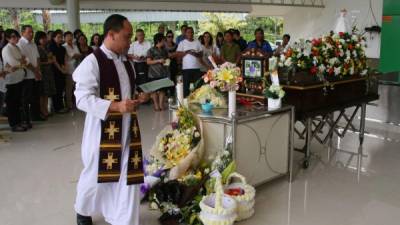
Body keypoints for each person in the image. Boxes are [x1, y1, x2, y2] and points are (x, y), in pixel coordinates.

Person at [73, 14, 144, 225]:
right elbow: (82, 99)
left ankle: (123, 219)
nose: (130, 41)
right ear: (111, 35)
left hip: (128, 129)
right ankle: (83, 210)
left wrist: (138, 97)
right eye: (127, 36)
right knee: (96, 175)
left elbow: (127, 92)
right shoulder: (93, 62)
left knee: (127, 178)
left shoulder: (126, 62)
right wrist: (116, 106)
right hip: (103, 131)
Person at [1, 29, 27, 132]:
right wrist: (21, 62)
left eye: (16, 36)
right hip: (11, 81)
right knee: (12, 103)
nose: (16, 38)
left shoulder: (17, 47)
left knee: (18, 102)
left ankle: (19, 122)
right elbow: (13, 63)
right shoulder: (6, 49)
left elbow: (26, 60)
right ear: (7, 38)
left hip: (19, 78)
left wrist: (21, 63)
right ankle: (14, 124)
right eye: (13, 37)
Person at [18, 25, 42, 126]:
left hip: (36, 74)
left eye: (32, 32)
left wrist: (38, 70)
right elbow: (25, 61)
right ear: (23, 32)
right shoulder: (20, 44)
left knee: (36, 97)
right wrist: (35, 71)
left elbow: (37, 58)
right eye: (29, 32)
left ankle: (35, 115)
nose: (31, 34)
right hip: (27, 75)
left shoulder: (33, 44)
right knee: (26, 99)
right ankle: (25, 119)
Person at [35, 31, 57, 118]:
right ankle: (42, 110)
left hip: (49, 72)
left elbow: (51, 57)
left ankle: (46, 110)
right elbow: (39, 62)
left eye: (45, 38)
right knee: (43, 93)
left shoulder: (47, 47)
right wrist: (49, 62)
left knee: (47, 93)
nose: (44, 40)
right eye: (42, 38)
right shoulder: (38, 48)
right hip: (43, 72)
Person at [176, 26, 203, 97]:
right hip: (186, 68)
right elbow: (178, 54)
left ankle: (197, 101)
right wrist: (187, 52)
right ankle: (185, 101)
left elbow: (201, 54)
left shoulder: (197, 42)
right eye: (188, 32)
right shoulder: (182, 43)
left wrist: (194, 53)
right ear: (185, 34)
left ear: (193, 33)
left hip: (196, 68)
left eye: (191, 32)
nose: (190, 34)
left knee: (197, 86)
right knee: (186, 87)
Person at [146, 33, 170, 111]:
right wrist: (159, 60)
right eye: (163, 40)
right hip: (153, 73)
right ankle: (156, 106)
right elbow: (148, 62)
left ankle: (161, 105)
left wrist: (167, 62)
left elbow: (166, 59)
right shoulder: (151, 50)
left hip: (163, 72)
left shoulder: (165, 50)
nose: (165, 41)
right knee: (154, 90)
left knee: (163, 90)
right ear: (159, 40)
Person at [128, 29, 151, 102]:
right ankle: (139, 98)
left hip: (145, 63)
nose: (140, 37)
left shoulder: (148, 43)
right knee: (138, 81)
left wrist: (145, 57)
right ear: (136, 36)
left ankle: (146, 99)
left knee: (145, 80)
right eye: (138, 35)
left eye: (141, 35)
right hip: (136, 64)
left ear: (144, 35)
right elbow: (129, 54)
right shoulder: (133, 44)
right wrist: (135, 57)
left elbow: (151, 53)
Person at [48, 29, 68, 113]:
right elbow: (54, 60)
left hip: (62, 69)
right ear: (53, 38)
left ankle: (61, 106)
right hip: (55, 70)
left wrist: (65, 68)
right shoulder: (51, 47)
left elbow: (64, 59)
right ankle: (57, 108)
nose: (60, 39)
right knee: (56, 89)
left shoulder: (62, 48)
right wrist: (61, 69)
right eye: (58, 37)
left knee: (61, 88)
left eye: (61, 37)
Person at [63, 31, 81, 110]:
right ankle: (69, 104)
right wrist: (75, 55)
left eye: (71, 36)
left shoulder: (75, 45)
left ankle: (76, 103)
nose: (70, 38)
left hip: (77, 68)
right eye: (68, 36)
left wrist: (76, 56)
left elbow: (79, 55)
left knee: (76, 87)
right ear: (65, 38)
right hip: (69, 69)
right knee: (69, 88)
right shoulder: (64, 46)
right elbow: (73, 55)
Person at [165, 30, 178, 96]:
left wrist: (170, 55)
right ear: (166, 37)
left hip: (173, 64)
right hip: (165, 64)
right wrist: (172, 54)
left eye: (171, 36)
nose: (170, 38)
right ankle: (166, 94)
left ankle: (172, 93)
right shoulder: (163, 45)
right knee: (166, 78)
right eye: (168, 36)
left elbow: (177, 54)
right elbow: (164, 54)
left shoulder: (175, 45)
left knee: (173, 78)